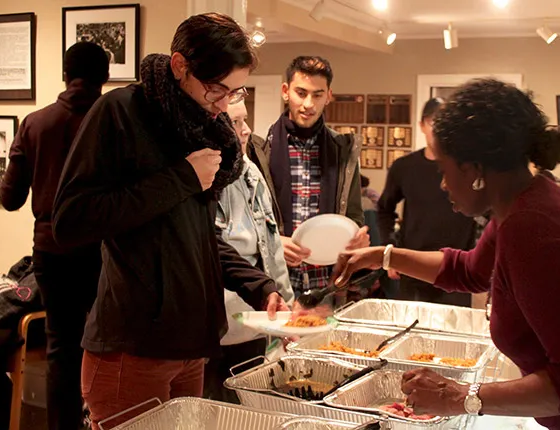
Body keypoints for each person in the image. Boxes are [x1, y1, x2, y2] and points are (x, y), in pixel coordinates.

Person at [332, 79, 560, 430]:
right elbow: (469, 270)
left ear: (474, 168)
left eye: (443, 168)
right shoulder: (526, 201)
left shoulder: (530, 229)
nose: (443, 183)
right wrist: (383, 255)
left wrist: (460, 396)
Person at [51, 14, 288, 429]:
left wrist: (258, 285)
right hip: (134, 345)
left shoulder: (201, 126)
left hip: (192, 343)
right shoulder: (121, 112)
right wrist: (180, 178)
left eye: (235, 91)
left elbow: (196, 237)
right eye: (217, 89)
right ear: (180, 66)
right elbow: (71, 220)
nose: (223, 105)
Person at [0, 41, 109, 430]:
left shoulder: (35, 123)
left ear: (65, 74)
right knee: (106, 345)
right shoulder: (112, 123)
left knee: (61, 348)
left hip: (51, 252)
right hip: (103, 253)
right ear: (105, 78)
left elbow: (9, 198)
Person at [203, 100, 294, 402]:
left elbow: (271, 249)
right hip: (212, 336)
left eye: (245, 120)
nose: (247, 130)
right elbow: (212, 254)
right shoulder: (201, 178)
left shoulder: (251, 171)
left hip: (255, 327)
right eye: (237, 122)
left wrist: (287, 312)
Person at [256, 56, 368, 298]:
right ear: (285, 92)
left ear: (328, 95)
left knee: (325, 337)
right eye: (301, 93)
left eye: (317, 95)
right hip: (274, 280)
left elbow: (354, 217)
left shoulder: (344, 151)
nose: (309, 104)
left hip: (326, 282)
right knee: (276, 338)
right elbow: (246, 220)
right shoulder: (261, 150)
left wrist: (357, 239)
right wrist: (273, 242)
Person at [376, 97, 475, 307]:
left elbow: (487, 213)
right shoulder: (404, 167)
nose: (439, 129)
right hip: (412, 269)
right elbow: (384, 209)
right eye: (433, 122)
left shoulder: (467, 168)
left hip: (455, 272)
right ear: (422, 125)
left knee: (451, 337)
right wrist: (390, 250)